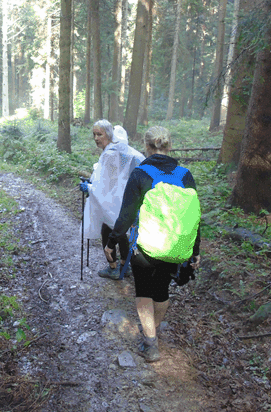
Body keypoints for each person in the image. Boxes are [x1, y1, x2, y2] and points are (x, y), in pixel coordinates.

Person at [105, 125, 201, 362]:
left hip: (145, 247)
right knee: (161, 290)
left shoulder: (140, 173)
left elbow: (126, 214)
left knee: (144, 292)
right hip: (176, 245)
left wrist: (111, 242)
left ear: (146, 147)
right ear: (170, 146)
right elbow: (193, 216)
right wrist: (195, 250)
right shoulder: (185, 175)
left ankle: (150, 343)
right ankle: (153, 330)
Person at [79, 120, 145, 280]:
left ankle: (114, 268)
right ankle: (123, 266)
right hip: (124, 199)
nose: (96, 138)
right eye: (94, 134)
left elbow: (105, 186)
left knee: (109, 230)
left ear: (108, 135)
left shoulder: (110, 153)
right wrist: (92, 182)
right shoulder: (118, 150)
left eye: (99, 134)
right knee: (119, 231)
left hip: (115, 201)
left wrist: (89, 188)